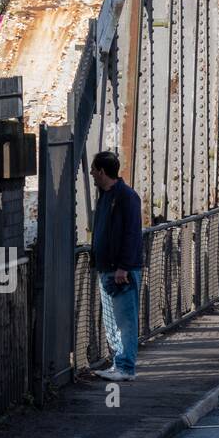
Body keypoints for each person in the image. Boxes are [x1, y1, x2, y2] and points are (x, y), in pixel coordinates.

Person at [90, 151, 143, 382]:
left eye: (93, 169)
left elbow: (132, 234)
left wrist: (123, 267)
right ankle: (118, 364)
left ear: (102, 171)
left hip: (120, 271)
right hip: (106, 268)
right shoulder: (106, 195)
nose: (91, 173)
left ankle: (126, 367)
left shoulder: (126, 196)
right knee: (112, 321)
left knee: (125, 320)